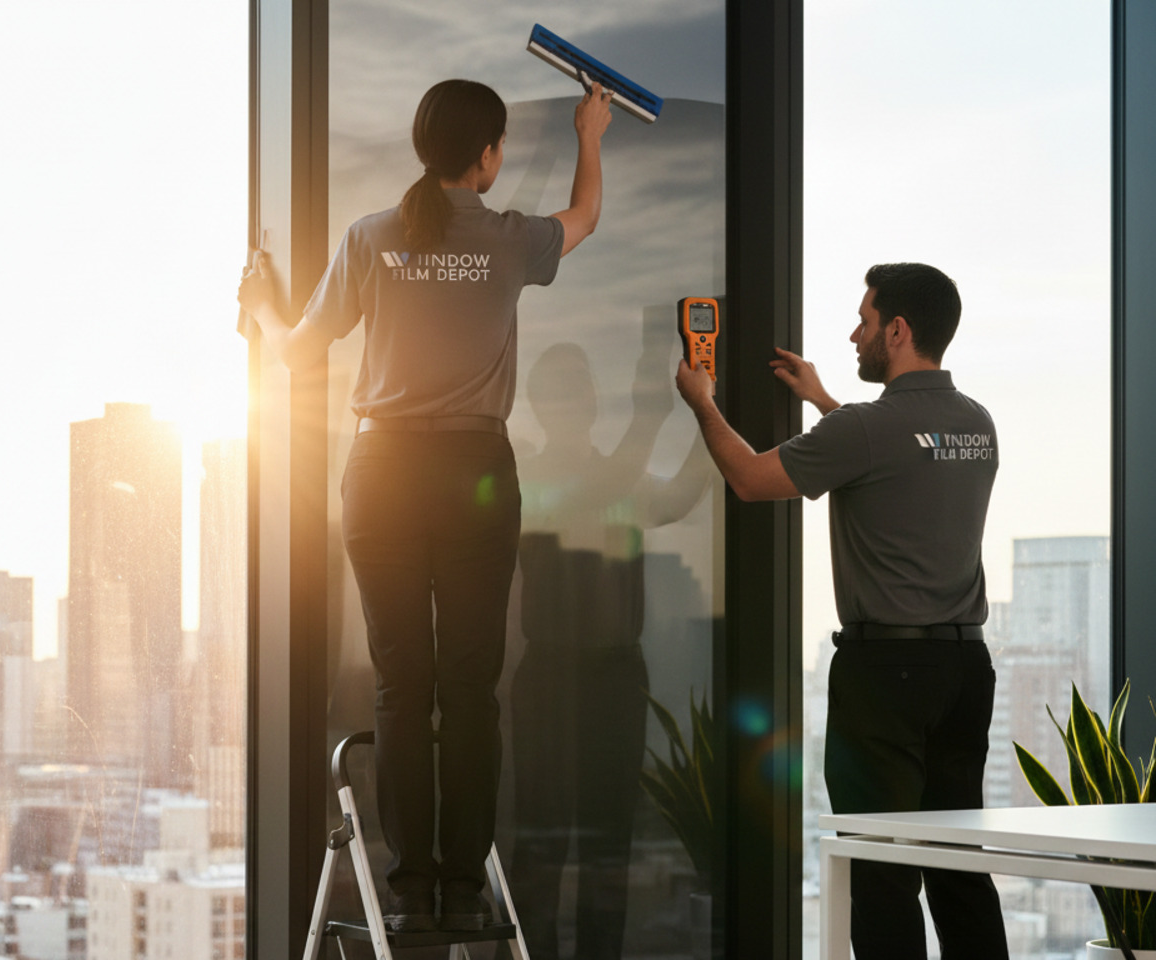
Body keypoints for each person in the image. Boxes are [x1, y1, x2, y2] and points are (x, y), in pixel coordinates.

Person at [237, 78, 614, 934]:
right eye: (502, 146)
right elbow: (585, 216)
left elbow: (299, 354)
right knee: (471, 687)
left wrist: (261, 304)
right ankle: (462, 887)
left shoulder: (372, 237)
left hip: (385, 472)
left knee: (401, 686)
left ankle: (409, 895)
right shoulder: (511, 240)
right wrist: (592, 129)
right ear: (485, 155)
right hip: (475, 471)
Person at [674, 263, 1008, 960]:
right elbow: (900, 457)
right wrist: (825, 398)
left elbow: (749, 477)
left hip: (884, 673)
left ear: (899, 329)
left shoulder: (866, 428)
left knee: (883, 873)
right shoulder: (977, 424)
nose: (854, 334)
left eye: (864, 320)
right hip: (964, 670)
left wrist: (702, 402)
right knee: (959, 867)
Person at [510, 328, 711, 960]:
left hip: (614, 678)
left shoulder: (616, 479)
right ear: (543, 406)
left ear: (593, 403)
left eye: (580, 391)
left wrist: (712, 418)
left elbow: (677, 497)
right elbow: (600, 494)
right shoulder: (528, 481)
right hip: (551, 679)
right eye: (561, 392)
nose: (575, 402)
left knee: (606, 847)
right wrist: (656, 413)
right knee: (544, 846)